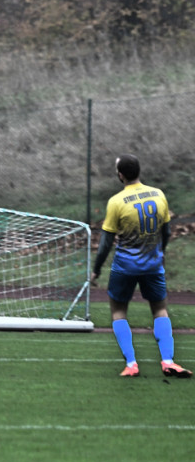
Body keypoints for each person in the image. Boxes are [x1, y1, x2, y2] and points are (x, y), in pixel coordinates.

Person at [90, 154, 191, 378]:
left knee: (118, 312)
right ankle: (168, 361)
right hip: (153, 265)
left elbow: (106, 242)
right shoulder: (158, 195)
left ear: (120, 174)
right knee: (160, 310)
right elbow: (166, 231)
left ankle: (132, 364)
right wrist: (161, 252)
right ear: (138, 171)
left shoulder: (116, 202)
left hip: (125, 266)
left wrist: (96, 268)